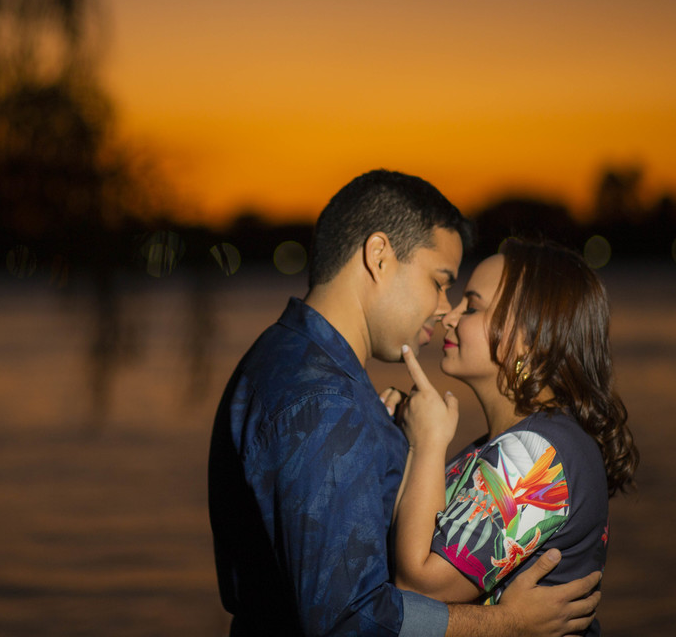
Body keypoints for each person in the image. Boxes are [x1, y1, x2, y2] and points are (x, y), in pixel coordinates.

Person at [208, 171, 601, 637]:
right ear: (379, 257)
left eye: (466, 302)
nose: (444, 307)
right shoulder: (324, 401)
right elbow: (347, 620)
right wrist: (508, 622)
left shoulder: (285, 362)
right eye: (439, 281)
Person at [387, 238, 638, 635]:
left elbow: (419, 586)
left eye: (471, 306)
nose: (449, 316)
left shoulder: (534, 454)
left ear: (528, 336)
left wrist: (428, 443)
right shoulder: (518, 442)